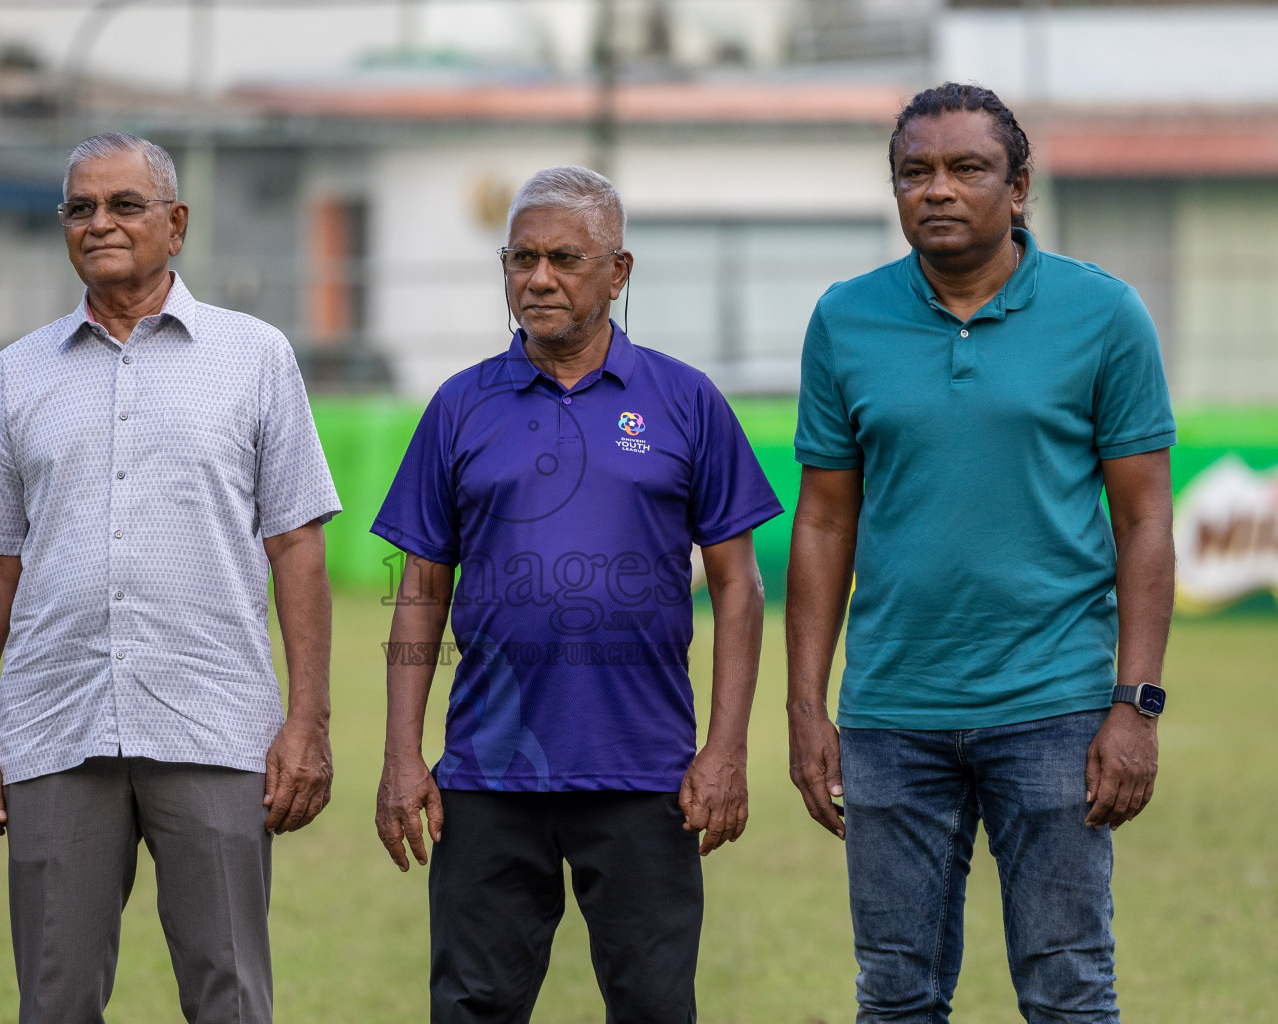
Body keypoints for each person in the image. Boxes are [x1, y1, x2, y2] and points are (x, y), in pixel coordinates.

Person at [786, 82, 1176, 1023]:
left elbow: (1145, 522)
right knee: (896, 994)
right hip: (889, 716)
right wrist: (806, 707)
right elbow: (824, 523)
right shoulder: (845, 320)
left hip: (1055, 712)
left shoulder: (1104, 314)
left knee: (1070, 988)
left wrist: (1137, 705)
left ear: (1020, 185)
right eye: (915, 171)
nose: (939, 190)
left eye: (968, 168)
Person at [0, 132, 341, 1024]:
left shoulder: (256, 357)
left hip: (215, 723)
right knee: (54, 997)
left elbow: (298, 546)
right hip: (56, 728)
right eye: (80, 207)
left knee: (230, 995)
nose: (100, 223)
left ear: (177, 223)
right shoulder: (16, 375)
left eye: (124, 204)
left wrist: (307, 720)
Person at [372, 165, 784, 1023]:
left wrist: (727, 750)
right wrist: (403, 754)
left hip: (646, 775)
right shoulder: (459, 406)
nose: (539, 278)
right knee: (473, 1006)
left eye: (564, 257)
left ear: (619, 272)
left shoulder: (685, 401)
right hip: (489, 773)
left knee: (653, 1006)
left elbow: (739, 588)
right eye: (521, 258)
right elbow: (418, 589)